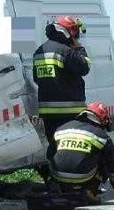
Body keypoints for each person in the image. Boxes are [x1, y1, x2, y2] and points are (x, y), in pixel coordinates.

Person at [33, 16, 90, 177]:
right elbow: (85, 67)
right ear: (68, 33)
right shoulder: (66, 51)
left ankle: (54, 180)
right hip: (70, 112)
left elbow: (37, 79)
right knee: (72, 147)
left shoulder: (39, 52)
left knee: (54, 146)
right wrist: (79, 47)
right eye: (75, 34)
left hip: (48, 112)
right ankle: (72, 181)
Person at [48, 102, 114, 203]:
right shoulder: (101, 136)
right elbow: (113, 166)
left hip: (57, 175)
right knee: (104, 158)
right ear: (101, 119)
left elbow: (49, 155)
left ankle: (59, 188)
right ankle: (90, 191)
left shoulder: (62, 128)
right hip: (83, 177)